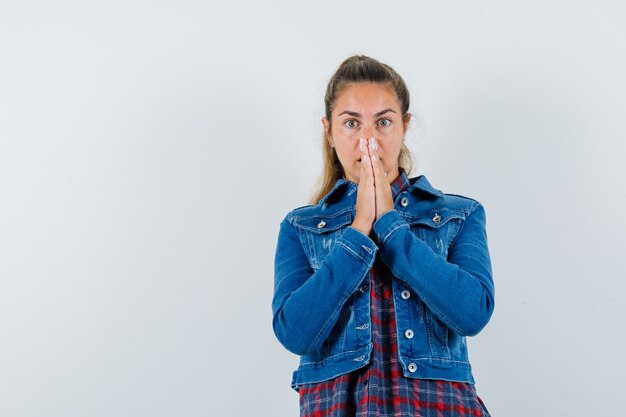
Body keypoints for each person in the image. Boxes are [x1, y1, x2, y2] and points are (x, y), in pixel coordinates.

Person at [272, 55, 495, 417]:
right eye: (351, 123)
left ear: (405, 126)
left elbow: (472, 313)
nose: (368, 140)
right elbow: (295, 333)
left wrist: (390, 225)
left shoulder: (461, 214)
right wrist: (359, 231)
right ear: (329, 132)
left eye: (384, 122)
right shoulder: (300, 227)